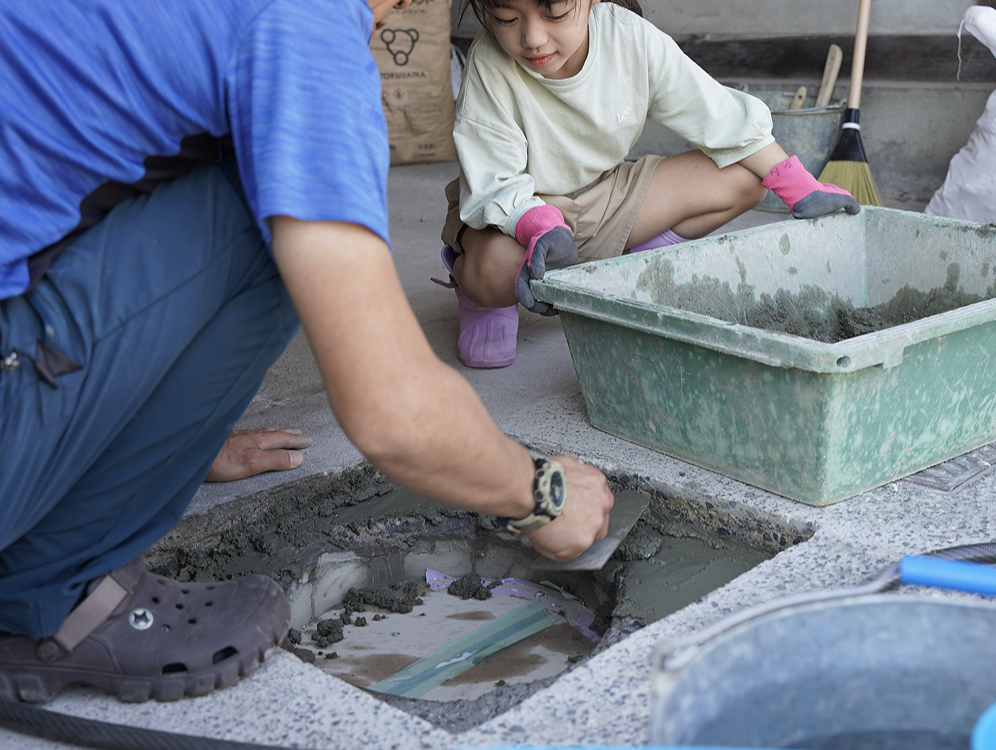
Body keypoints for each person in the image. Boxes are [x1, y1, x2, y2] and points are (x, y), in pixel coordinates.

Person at [0, 0, 613, 704]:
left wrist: (154, 425)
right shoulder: (304, 25)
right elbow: (391, 410)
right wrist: (538, 493)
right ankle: (48, 599)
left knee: (241, 168)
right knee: (269, 206)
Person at [438, 0, 861, 368]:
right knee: (493, 270)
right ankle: (478, 296)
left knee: (747, 179)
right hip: (518, 217)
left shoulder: (629, 39)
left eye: (555, 13)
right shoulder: (490, 62)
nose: (532, 38)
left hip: (607, 196)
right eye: (507, 17)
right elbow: (494, 179)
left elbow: (714, 113)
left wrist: (797, 182)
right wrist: (536, 224)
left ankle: (628, 269)